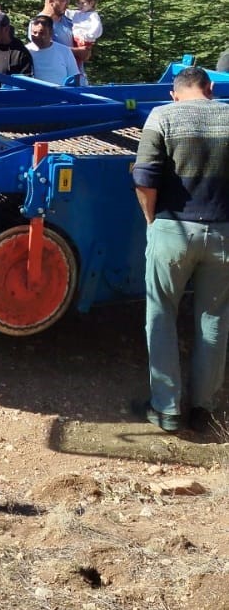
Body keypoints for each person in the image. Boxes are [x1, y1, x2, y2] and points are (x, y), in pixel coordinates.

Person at [130, 65, 229, 434]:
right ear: (209, 89)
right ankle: (204, 410)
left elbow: (144, 176)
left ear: (175, 92)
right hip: (223, 232)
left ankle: (166, 408)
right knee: (214, 318)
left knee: (161, 315)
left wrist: (152, 219)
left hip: (173, 229)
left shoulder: (163, 115)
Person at [26, 14, 80, 85]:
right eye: (34, 32)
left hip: (59, 94)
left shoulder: (64, 51)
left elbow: (74, 77)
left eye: (41, 33)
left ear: (51, 32)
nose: (37, 36)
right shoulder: (25, 51)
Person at [70, 0, 103, 73]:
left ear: (91, 3)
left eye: (83, 3)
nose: (80, 6)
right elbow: (68, 13)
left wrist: (88, 36)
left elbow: (97, 27)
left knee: (79, 56)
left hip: (84, 39)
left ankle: (78, 73)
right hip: (76, 37)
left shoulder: (93, 16)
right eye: (79, 3)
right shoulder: (77, 13)